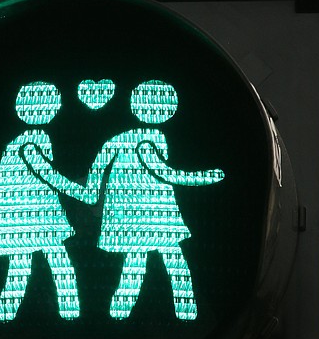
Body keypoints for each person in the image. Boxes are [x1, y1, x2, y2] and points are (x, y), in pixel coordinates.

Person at [84, 79, 224, 321]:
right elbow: (163, 172)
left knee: (134, 266)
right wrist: (205, 177)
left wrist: (90, 192)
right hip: (154, 214)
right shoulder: (149, 138)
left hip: (128, 215)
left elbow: (99, 163)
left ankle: (119, 313)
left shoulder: (121, 138)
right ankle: (185, 311)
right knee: (175, 262)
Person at [0, 81, 89, 322]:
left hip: (23, 218)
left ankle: (5, 316)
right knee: (60, 263)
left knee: (20, 271)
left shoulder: (21, 139)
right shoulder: (33, 139)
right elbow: (46, 173)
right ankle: (71, 313)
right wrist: (79, 191)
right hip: (35, 218)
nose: (54, 108)